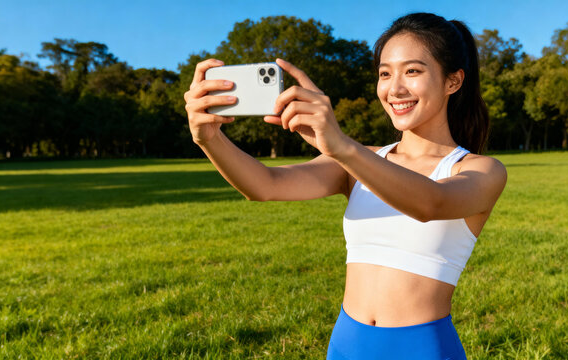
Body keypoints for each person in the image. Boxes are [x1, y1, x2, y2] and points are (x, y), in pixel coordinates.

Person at [184, 12, 507, 360]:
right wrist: (209, 139)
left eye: (412, 71)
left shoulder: (480, 169)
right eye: (385, 73)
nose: (394, 88)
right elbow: (265, 185)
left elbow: (432, 203)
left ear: (453, 81)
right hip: (347, 344)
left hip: (422, 349)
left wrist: (339, 145)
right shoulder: (358, 162)